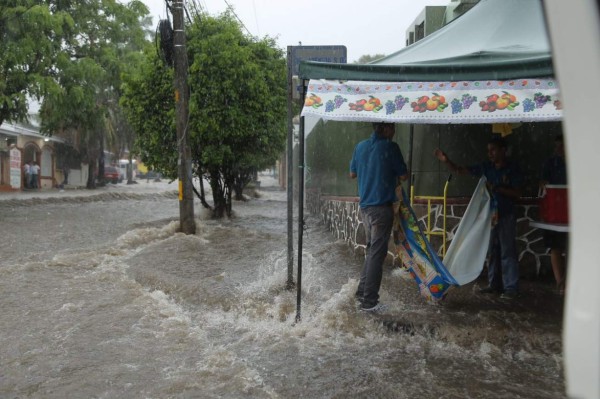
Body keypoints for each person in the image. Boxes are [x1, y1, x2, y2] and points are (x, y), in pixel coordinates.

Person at [434, 136, 523, 300]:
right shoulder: (486, 167)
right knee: (492, 250)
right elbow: (461, 171)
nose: (490, 154)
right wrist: (447, 161)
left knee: (507, 251)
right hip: (490, 216)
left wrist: (497, 188)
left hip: (506, 214)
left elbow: (517, 194)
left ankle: (511, 287)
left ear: (503, 151)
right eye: (488, 151)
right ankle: (494, 285)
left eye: (493, 150)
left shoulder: (512, 168)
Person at [350, 122, 409, 312]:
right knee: (377, 253)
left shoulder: (360, 146)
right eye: (392, 127)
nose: (394, 131)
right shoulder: (391, 147)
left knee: (372, 250)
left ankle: (362, 293)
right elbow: (404, 175)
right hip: (381, 209)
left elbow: (352, 173)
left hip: (365, 207)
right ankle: (369, 302)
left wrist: (369, 169)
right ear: (384, 128)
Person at [540, 134, 568, 295]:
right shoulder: (550, 163)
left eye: (561, 146)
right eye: (556, 146)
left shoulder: (580, 161)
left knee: (573, 246)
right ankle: (560, 283)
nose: (558, 149)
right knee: (555, 246)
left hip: (575, 209)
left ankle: (571, 281)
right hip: (555, 210)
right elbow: (542, 183)